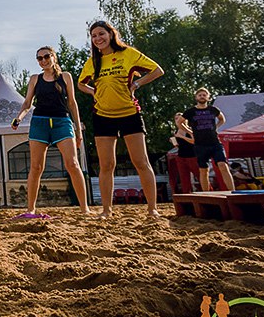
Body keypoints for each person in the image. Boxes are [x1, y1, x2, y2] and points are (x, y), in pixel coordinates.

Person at [77, 21, 163, 218]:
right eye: (94, 36)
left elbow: (157, 70)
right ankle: (106, 211)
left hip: (129, 113)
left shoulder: (128, 53)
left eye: (101, 34)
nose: (98, 38)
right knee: (106, 165)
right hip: (103, 116)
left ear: (110, 34)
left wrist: (137, 84)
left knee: (141, 161)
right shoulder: (92, 62)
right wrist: (94, 92)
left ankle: (153, 209)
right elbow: (81, 84)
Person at [12, 46, 91, 218]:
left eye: (46, 56)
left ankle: (84, 208)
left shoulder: (66, 77)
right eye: (39, 58)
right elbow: (27, 103)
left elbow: (72, 103)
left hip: (62, 122)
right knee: (36, 167)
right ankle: (31, 209)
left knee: (73, 164)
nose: (43, 61)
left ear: (54, 57)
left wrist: (78, 130)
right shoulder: (35, 79)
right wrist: (19, 117)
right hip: (39, 123)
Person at [179, 88, 235, 192]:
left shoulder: (213, 110)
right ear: (196, 97)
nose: (202, 96)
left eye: (204, 95)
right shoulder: (191, 112)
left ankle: (233, 191)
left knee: (223, 165)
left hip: (215, 143)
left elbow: (222, 119)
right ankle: (206, 194)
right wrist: (190, 131)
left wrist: (216, 127)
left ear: (208, 97)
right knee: (203, 170)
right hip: (200, 145)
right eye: (200, 95)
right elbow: (179, 122)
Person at [169, 112, 199, 194]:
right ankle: (187, 197)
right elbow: (178, 146)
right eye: (176, 118)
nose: (178, 120)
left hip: (193, 156)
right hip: (181, 156)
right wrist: (174, 142)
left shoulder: (191, 129)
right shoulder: (175, 132)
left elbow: (194, 141)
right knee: (184, 179)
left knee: (200, 176)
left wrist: (181, 137)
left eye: (179, 118)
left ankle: (209, 193)